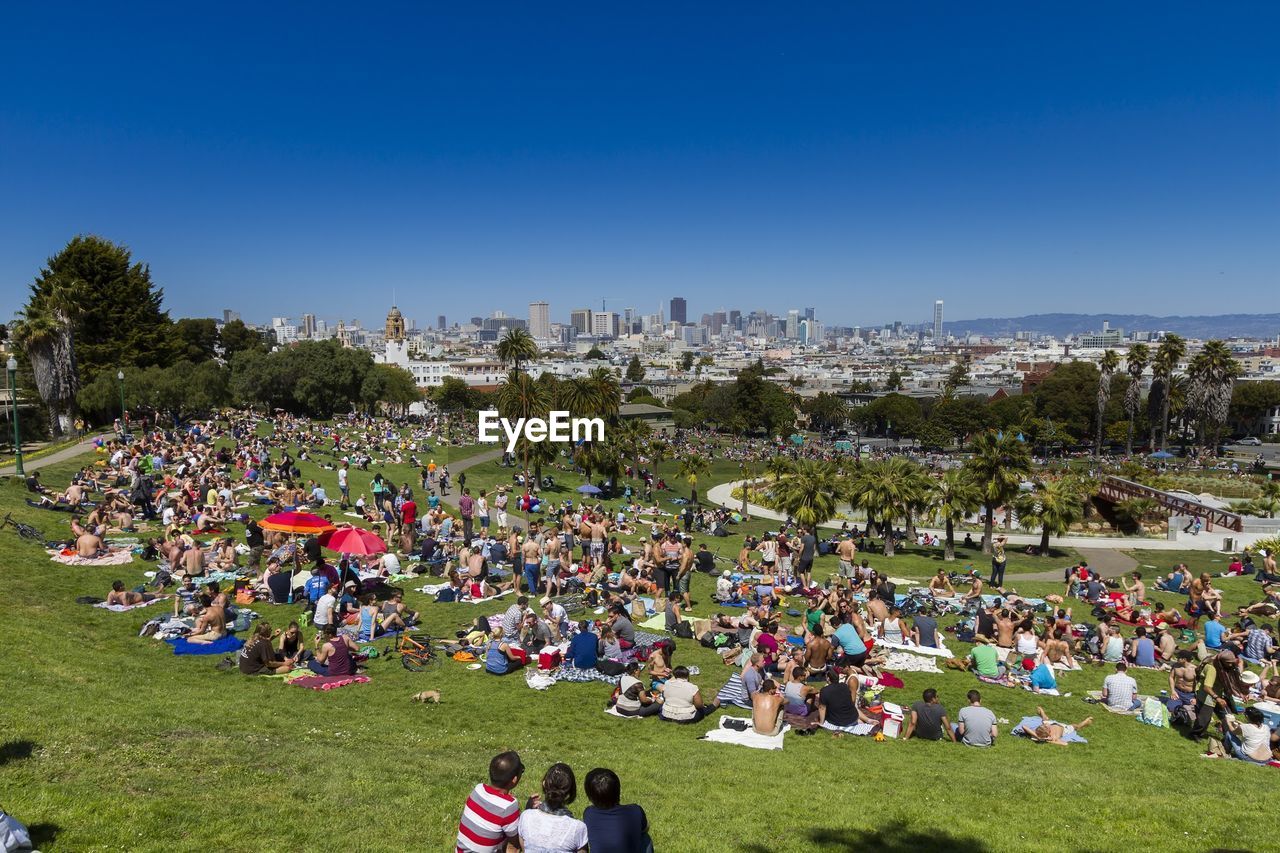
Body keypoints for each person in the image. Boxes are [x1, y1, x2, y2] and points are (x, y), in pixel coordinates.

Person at [457, 751, 525, 853]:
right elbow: (515, 840)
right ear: (514, 779)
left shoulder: (478, 789)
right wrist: (528, 811)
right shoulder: (508, 806)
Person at [517, 763, 589, 853]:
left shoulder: (526, 817)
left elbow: (524, 849)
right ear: (570, 790)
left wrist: (528, 809)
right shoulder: (578, 828)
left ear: (544, 784)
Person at [582, 768, 651, 853]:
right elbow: (646, 828)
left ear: (590, 797)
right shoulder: (635, 810)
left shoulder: (589, 813)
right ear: (618, 790)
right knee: (645, 837)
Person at [1026, 705, 1094, 746]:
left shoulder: (1042, 731)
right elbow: (1065, 744)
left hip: (1053, 724)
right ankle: (1086, 721)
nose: (1045, 726)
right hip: (1065, 728)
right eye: (1046, 727)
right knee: (1076, 726)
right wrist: (1048, 741)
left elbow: (1024, 727)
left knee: (1045, 721)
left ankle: (1043, 714)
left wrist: (1036, 736)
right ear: (1048, 731)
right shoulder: (1053, 737)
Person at [817, 670, 858, 734]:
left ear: (828, 678)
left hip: (838, 722)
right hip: (853, 719)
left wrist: (821, 723)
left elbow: (822, 708)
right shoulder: (845, 686)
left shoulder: (825, 690)